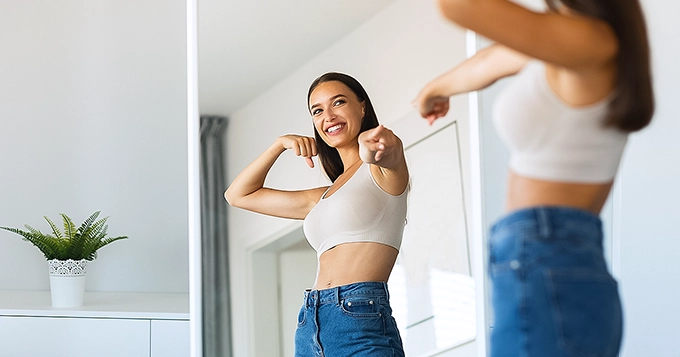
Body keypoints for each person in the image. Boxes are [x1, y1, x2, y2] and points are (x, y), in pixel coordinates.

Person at [413, 1, 654, 356]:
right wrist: (434, 90)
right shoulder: (571, 44)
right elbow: (489, 62)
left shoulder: (590, 41)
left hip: (548, 254)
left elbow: (457, 6)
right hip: (548, 256)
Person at [225, 72, 409, 356]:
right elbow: (238, 195)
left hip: (360, 318)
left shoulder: (382, 173)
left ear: (362, 107)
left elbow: (390, 152)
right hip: (310, 322)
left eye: (338, 102)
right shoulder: (321, 198)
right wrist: (278, 145)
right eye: (318, 111)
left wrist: (378, 145)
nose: (329, 116)